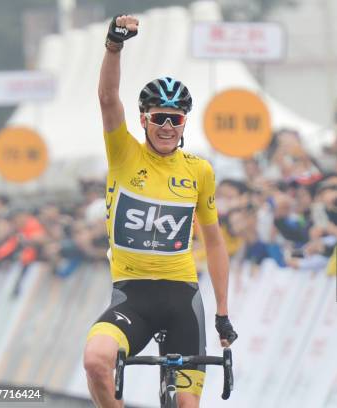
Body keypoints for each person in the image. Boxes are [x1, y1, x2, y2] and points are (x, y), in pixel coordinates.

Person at [83, 15, 237, 408]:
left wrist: (222, 312)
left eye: (176, 119)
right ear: (144, 120)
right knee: (97, 362)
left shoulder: (199, 171)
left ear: (184, 123)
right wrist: (114, 47)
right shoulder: (123, 152)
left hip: (182, 298)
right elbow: (106, 98)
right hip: (132, 297)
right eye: (159, 118)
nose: (167, 126)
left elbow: (215, 244)